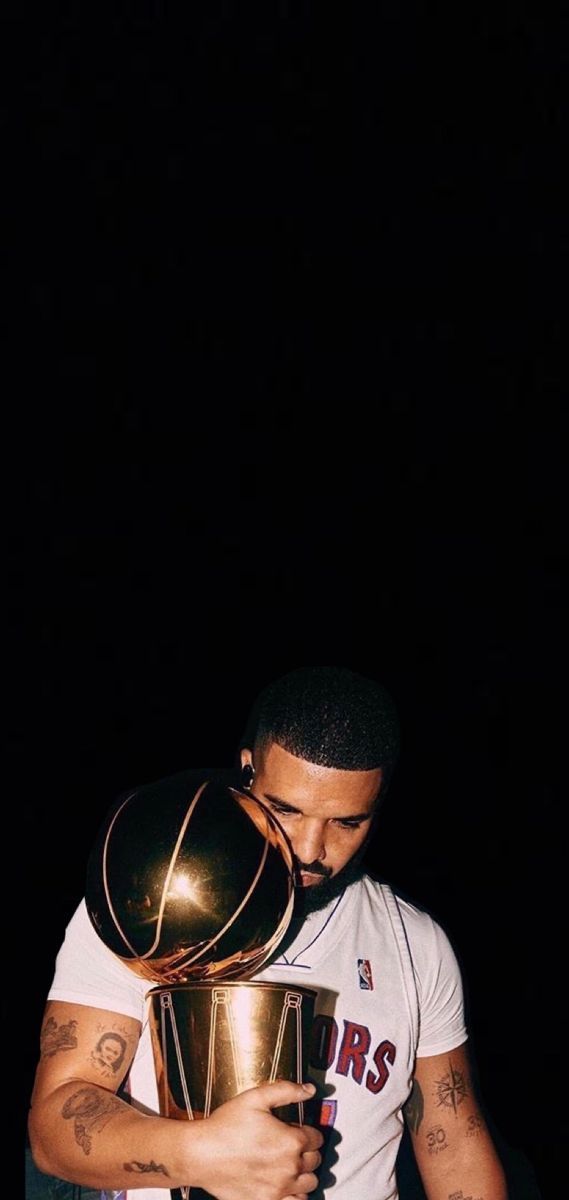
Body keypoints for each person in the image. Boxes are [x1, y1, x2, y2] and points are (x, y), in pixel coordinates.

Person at [28, 665, 508, 1200]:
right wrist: (200, 1154)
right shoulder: (148, 903)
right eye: (285, 809)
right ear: (247, 769)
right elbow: (55, 1126)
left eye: (347, 822)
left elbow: (454, 1146)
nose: (308, 849)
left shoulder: (416, 944)